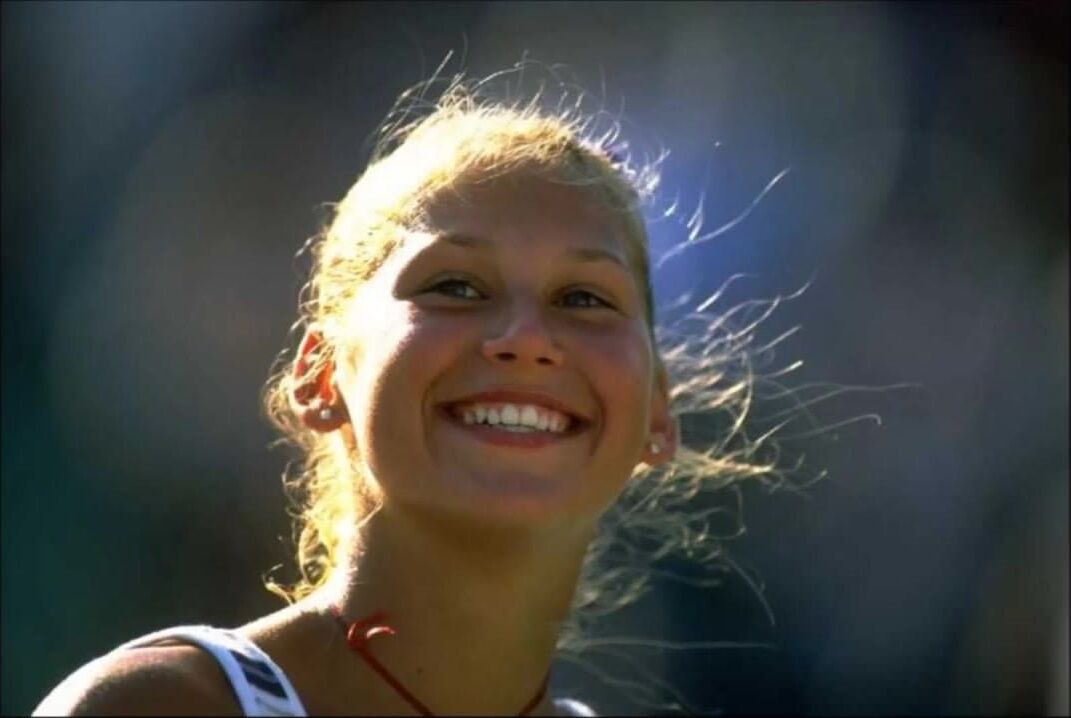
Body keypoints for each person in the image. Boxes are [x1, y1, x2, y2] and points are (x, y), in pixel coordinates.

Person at [34, 70, 774, 717]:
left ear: (657, 413)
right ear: (321, 375)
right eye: (456, 286)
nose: (526, 337)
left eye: (583, 298)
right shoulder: (159, 706)